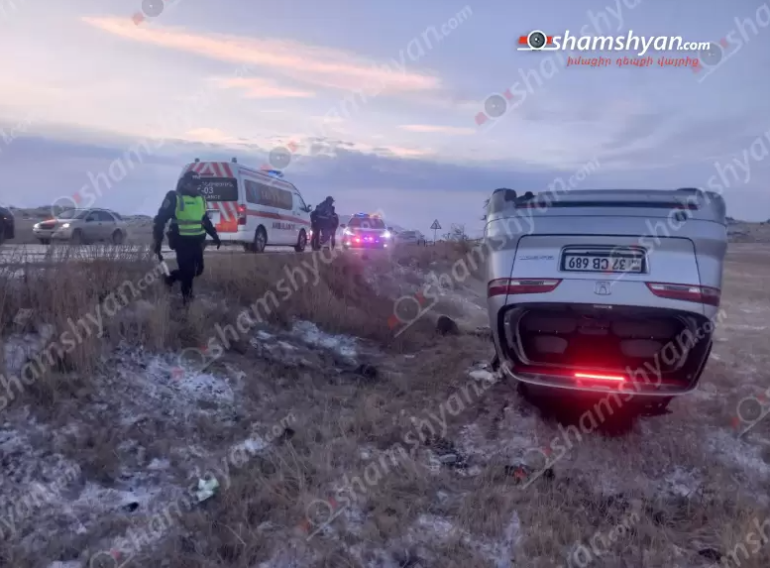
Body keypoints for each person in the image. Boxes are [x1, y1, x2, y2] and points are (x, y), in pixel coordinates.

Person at [152, 170, 221, 303]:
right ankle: (187, 302)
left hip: (197, 241)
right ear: (185, 183)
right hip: (181, 241)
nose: (196, 187)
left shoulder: (201, 199)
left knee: (198, 270)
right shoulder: (174, 197)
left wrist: (214, 235)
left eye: (198, 184)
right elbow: (161, 219)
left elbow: (204, 219)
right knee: (187, 271)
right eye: (193, 184)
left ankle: (170, 278)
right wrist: (158, 241)